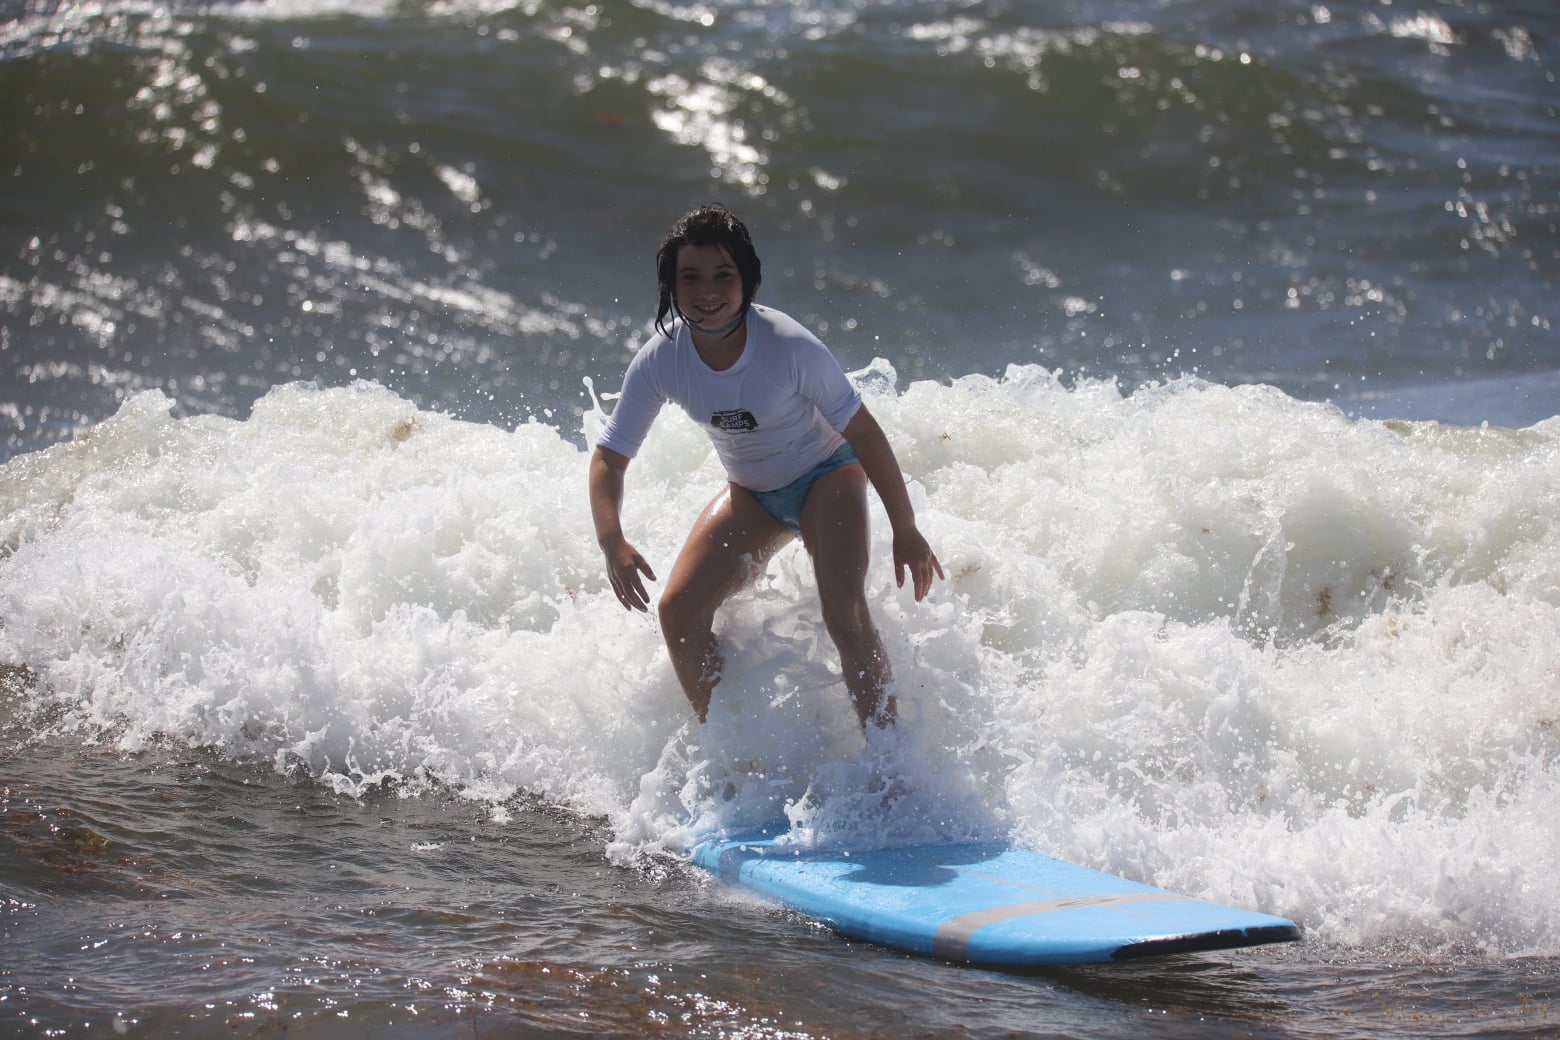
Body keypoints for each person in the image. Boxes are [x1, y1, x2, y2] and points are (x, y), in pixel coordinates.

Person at [588, 203, 943, 729]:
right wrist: (611, 541)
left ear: (747, 280)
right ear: (670, 285)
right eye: (691, 278)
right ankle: (731, 756)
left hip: (828, 476)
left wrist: (905, 527)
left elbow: (864, 432)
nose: (707, 291)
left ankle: (890, 770)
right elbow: (609, 458)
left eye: (723, 275)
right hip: (753, 494)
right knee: (678, 612)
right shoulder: (663, 358)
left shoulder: (787, 346)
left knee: (842, 613)